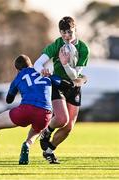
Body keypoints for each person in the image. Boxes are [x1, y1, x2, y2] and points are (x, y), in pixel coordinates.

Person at [0, 54, 79, 165]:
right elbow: (65, 84)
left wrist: (20, 87)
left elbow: (9, 99)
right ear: (31, 64)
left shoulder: (19, 77)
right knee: (37, 130)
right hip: (45, 113)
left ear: (17, 69)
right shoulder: (45, 72)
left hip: (26, 109)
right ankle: (27, 144)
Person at [34, 16, 90, 164]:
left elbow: (76, 75)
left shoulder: (83, 48)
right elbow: (37, 63)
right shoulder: (56, 45)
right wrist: (43, 70)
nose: (66, 36)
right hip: (58, 85)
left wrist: (65, 64)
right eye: (63, 32)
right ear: (59, 32)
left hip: (73, 86)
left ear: (75, 30)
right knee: (61, 119)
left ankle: (49, 151)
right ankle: (46, 133)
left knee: (68, 127)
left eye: (70, 32)